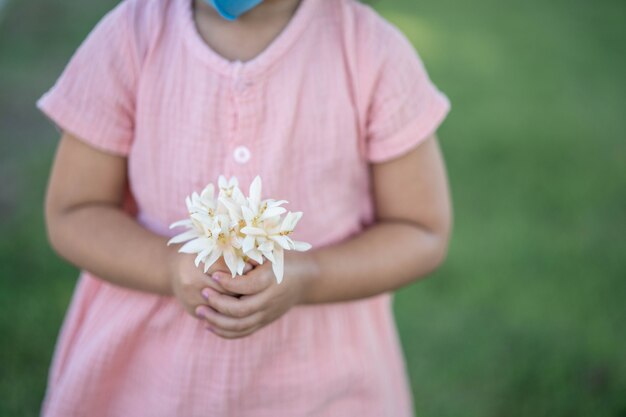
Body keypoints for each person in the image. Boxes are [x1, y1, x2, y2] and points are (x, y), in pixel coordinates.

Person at [35, 0, 452, 415]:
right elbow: (74, 211)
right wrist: (166, 267)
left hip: (323, 387)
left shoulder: (371, 52)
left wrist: (309, 276)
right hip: (146, 385)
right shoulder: (128, 38)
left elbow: (421, 230)